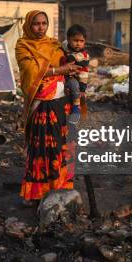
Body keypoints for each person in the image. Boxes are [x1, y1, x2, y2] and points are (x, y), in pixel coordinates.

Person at [15, 11, 80, 204]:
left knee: (61, 145)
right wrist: (58, 71)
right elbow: (30, 71)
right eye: (36, 24)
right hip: (40, 104)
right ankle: (39, 191)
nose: (41, 27)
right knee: (42, 147)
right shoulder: (23, 46)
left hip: (61, 103)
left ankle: (60, 187)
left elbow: (69, 60)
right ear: (29, 25)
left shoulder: (54, 44)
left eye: (44, 23)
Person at [62, 24, 90, 125]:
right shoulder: (64, 48)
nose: (78, 44)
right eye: (75, 40)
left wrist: (82, 89)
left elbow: (84, 73)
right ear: (69, 40)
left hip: (74, 78)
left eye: (81, 41)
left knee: (74, 86)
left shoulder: (82, 57)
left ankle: (76, 110)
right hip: (60, 75)